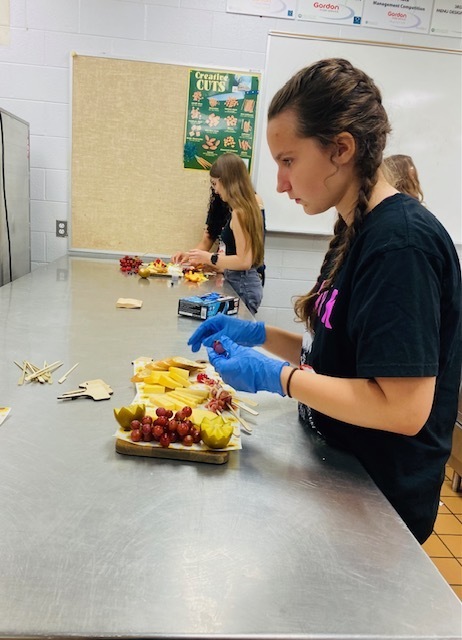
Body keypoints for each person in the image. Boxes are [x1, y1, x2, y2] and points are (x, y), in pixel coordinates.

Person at [187, 58, 462, 545]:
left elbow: (403, 408)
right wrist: (262, 337)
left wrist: (280, 378)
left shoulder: (401, 245)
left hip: (377, 508)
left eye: (288, 160)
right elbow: (340, 356)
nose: (279, 183)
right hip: (336, 475)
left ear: (341, 149)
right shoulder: (353, 230)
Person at [173, 153, 265, 315]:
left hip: (243, 284)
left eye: (215, 184)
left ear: (227, 181)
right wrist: (194, 255)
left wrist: (208, 258)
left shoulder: (240, 213)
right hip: (240, 281)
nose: (215, 190)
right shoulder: (243, 209)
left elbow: (244, 261)